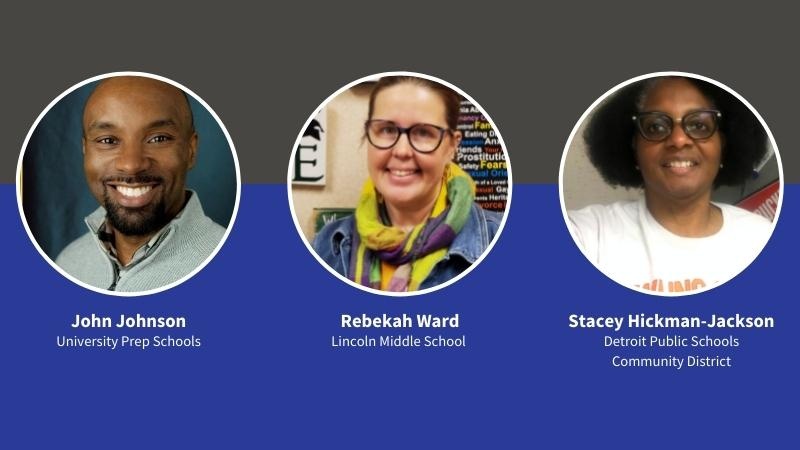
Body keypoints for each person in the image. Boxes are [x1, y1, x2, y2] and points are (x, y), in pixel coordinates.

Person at [568, 76, 774, 294]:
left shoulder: (761, 236)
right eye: (656, 127)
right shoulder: (590, 234)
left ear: (723, 146)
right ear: (634, 148)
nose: (678, 140)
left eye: (699, 125)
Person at [313, 76, 502, 292]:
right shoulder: (326, 245)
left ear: (451, 146)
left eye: (423, 132)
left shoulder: (496, 237)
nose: (402, 151)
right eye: (387, 130)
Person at [55, 76, 225, 292]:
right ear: (85, 150)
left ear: (190, 150)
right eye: (108, 140)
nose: (131, 165)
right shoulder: (68, 264)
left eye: (158, 138)